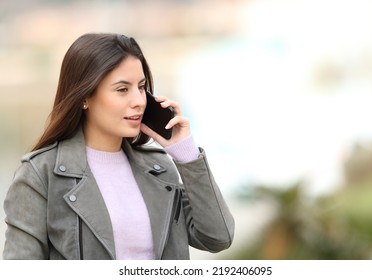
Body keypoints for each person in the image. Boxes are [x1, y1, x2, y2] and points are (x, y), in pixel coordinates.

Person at [2, 33, 234, 260]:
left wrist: (185, 154)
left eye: (141, 87)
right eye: (122, 89)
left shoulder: (158, 168)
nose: (139, 101)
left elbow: (217, 237)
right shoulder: (40, 174)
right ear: (85, 96)